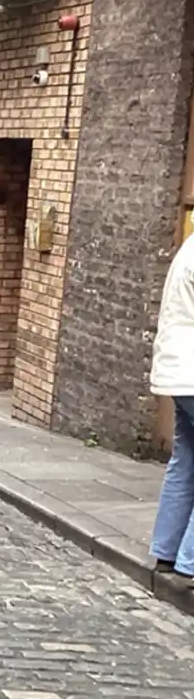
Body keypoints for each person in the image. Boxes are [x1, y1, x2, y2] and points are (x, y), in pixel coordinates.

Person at [150, 233, 194, 585]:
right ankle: (190, 561)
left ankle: (167, 552)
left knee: (186, 460)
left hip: (178, 374)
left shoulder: (189, 247)